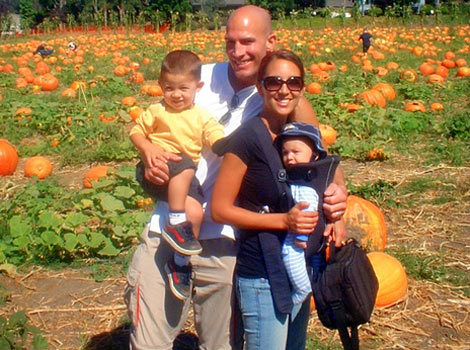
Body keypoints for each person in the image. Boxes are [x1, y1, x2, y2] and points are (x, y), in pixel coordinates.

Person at [124, 5, 348, 350]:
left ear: (270, 41)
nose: (237, 51)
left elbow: (317, 151)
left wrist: (337, 198)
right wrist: (147, 158)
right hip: (170, 228)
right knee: (149, 343)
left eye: (247, 41)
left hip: (228, 244)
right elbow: (154, 128)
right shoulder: (198, 78)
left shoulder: (278, 95)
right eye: (230, 41)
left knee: (221, 345)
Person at [211, 49, 343, 350]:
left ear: (302, 88)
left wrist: (337, 215)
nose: (284, 90)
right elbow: (219, 209)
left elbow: (325, 178)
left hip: (300, 270)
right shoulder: (247, 138)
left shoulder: (299, 136)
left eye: (293, 82)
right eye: (274, 82)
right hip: (262, 275)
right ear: (260, 88)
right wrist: (283, 221)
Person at [129, 50, 225, 301]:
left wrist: (225, 146)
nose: (176, 94)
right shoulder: (157, 111)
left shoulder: (200, 115)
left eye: (183, 88)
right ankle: (176, 222)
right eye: (169, 88)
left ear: (198, 87)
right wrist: (147, 148)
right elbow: (136, 132)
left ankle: (180, 264)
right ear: (161, 86)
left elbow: (214, 133)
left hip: (183, 175)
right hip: (156, 166)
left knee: (197, 213)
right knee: (184, 166)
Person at [273, 121, 338, 306]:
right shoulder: (306, 179)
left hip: (297, 239)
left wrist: (301, 235)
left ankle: (301, 291)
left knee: (290, 254)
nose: (289, 157)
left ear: (315, 155)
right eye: (285, 153)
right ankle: (311, 285)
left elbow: (306, 210)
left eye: (296, 152)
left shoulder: (304, 185)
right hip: (314, 240)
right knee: (312, 264)